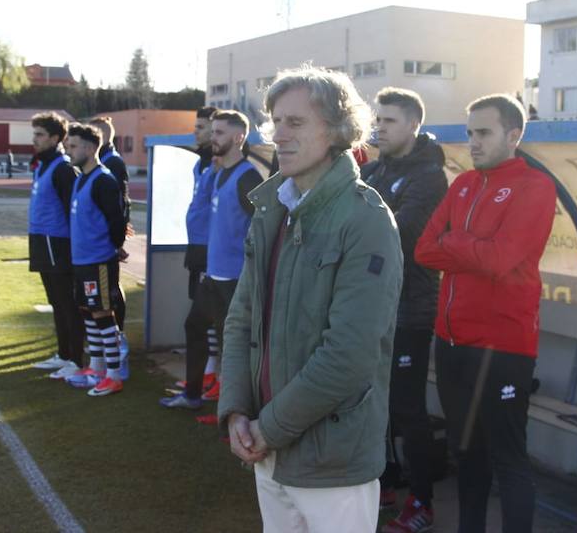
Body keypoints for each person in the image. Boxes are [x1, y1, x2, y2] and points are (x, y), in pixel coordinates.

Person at [218, 66, 403, 532]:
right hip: (269, 452)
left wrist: (267, 429)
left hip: (333, 465)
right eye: (275, 121)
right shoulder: (272, 209)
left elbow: (349, 354)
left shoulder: (366, 220)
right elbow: (242, 319)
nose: (278, 134)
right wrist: (237, 410)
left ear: (338, 130)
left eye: (295, 122)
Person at [415, 94, 557, 533]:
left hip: (502, 348)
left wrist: (455, 242)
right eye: (469, 132)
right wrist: (469, 247)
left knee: (508, 459)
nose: (472, 142)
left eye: (483, 133)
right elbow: (424, 250)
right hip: (452, 342)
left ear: (513, 136)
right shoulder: (461, 185)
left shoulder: (535, 186)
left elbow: (500, 260)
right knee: (467, 453)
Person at [361, 87, 448, 532]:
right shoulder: (375, 170)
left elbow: (404, 232)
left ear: (413, 124)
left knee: (408, 408)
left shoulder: (430, 176)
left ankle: (423, 501)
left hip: (410, 309)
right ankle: (388, 481)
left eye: (389, 120)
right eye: (378, 118)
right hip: (374, 307)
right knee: (377, 402)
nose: (379, 126)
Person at [162, 110, 262, 410]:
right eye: (213, 131)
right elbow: (204, 214)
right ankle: (192, 394)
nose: (212, 137)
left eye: (219, 133)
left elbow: (263, 228)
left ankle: (234, 411)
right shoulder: (219, 172)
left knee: (233, 346)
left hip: (234, 279)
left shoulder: (249, 177)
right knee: (194, 327)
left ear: (238, 137)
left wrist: (251, 272)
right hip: (213, 274)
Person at [65, 123, 128, 396]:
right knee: (88, 312)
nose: (69, 151)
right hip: (81, 260)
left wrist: (111, 248)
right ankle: (97, 367)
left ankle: (114, 375)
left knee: (103, 314)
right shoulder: (81, 178)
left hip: (98, 260)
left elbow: (117, 221)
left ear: (90, 148)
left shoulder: (104, 179)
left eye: (74, 146)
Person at [28, 112, 87, 381]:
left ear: (55, 138)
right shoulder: (43, 165)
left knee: (67, 303)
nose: (35, 139)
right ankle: (63, 355)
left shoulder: (63, 168)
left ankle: (76, 359)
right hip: (42, 241)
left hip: (58, 243)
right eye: (35, 134)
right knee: (56, 302)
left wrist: (75, 249)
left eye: (40, 135)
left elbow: (72, 211)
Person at [175, 106, 218, 397]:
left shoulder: (221, 166)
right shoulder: (200, 163)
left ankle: (212, 375)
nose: (196, 131)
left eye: (202, 127)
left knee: (207, 317)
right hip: (197, 245)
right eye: (197, 126)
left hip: (211, 249)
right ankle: (207, 374)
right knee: (202, 315)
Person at [90, 116, 132, 376]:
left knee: (111, 291)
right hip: (96, 240)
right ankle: (104, 344)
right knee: (102, 293)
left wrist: (118, 240)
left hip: (106, 241)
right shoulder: (100, 161)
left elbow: (121, 202)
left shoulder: (112, 162)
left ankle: (118, 340)